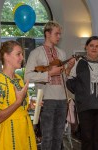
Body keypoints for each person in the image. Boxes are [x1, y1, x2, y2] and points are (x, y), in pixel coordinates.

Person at [24, 21, 75, 150]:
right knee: (47, 136)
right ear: (47, 34)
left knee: (59, 136)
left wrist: (68, 69)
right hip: (46, 99)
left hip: (62, 99)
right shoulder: (36, 53)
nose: (59, 37)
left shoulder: (62, 53)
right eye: (56, 34)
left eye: (60, 34)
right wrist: (49, 74)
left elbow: (64, 77)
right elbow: (27, 76)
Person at [66, 36, 98, 150]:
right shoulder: (79, 62)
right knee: (87, 139)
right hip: (84, 107)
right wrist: (82, 94)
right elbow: (70, 83)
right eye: (91, 45)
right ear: (86, 47)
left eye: (97, 46)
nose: (94, 48)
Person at [0, 40, 37, 150]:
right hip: (9, 133)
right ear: (6, 56)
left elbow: (20, 108)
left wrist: (28, 106)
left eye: (22, 54)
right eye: (18, 54)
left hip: (25, 130)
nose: (22, 58)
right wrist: (18, 102)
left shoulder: (19, 79)